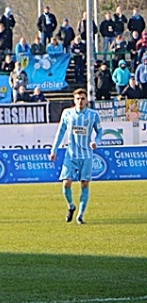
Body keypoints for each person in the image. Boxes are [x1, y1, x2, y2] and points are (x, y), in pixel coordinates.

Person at [49, 88, 102, 225]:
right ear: (74, 100)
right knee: (66, 183)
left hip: (86, 156)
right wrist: (54, 150)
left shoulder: (93, 115)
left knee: (84, 184)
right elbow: (60, 132)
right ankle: (71, 206)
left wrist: (96, 142)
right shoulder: (67, 113)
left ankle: (80, 216)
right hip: (71, 155)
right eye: (78, 98)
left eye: (83, 98)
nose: (80, 101)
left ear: (86, 100)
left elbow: (100, 131)